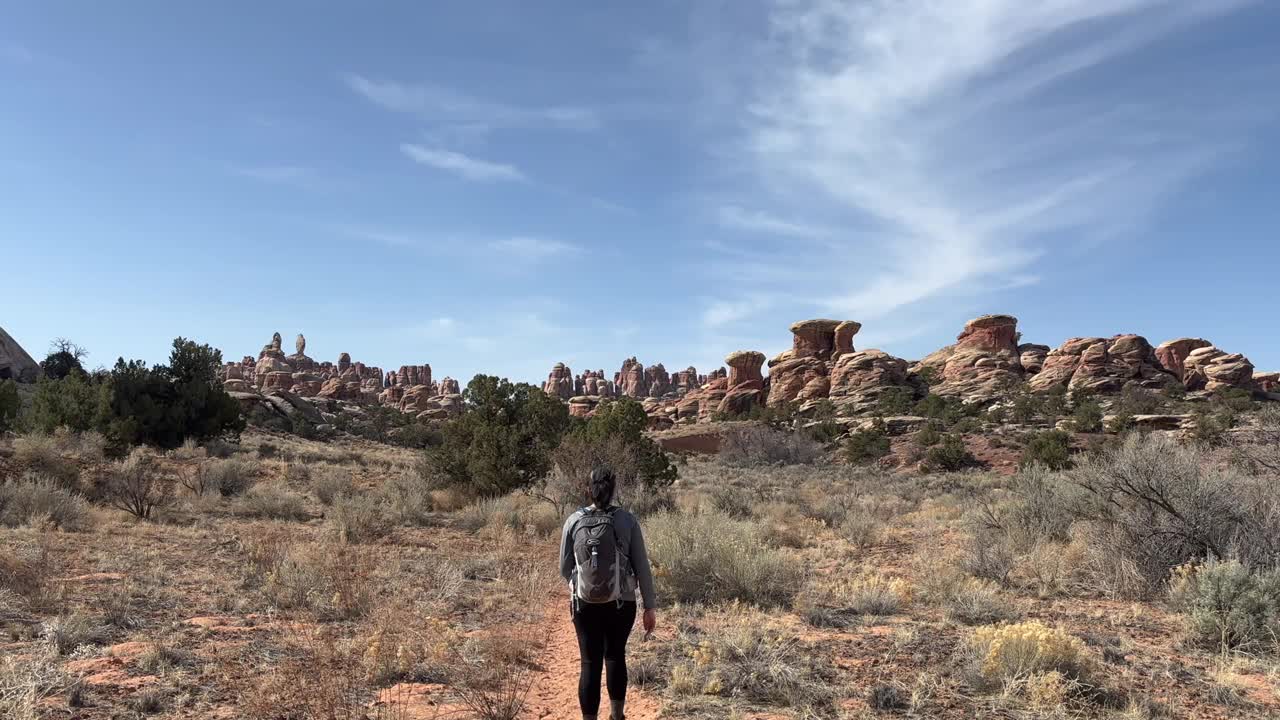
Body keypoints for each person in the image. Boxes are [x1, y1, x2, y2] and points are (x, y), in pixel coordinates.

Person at [559, 467, 657, 720]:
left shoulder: (573, 520)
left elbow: (564, 568)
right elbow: (642, 566)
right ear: (613, 491)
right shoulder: (627, 520)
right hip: (621, 602)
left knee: (589, 663)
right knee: (615, 656)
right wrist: (650, 606)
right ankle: (616, 716)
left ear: (588, 490)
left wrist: (581, 585)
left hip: (584, 603)